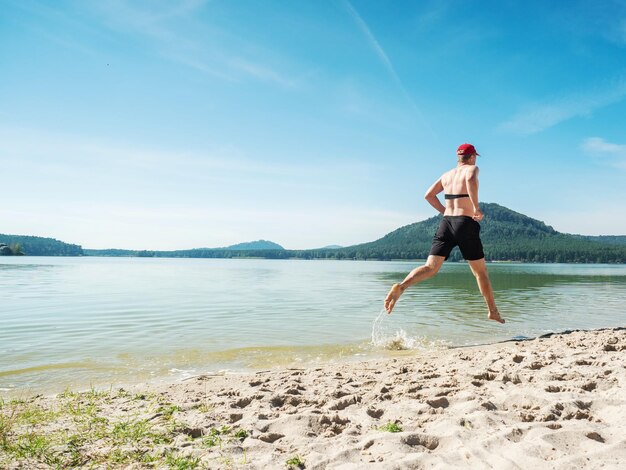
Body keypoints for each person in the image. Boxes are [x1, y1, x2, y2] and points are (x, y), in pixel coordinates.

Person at [384, 143, 505, 324]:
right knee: (480, 272)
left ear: (458, 157)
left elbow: (428, 195)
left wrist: (444, 211)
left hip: (446, 223)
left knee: (430, 268)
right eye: (474, 158)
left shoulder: (446, 175)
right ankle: (492, 311)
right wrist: (477, 207)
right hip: (465, 223)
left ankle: (402, 286)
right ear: (472, 157)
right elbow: (471, 178)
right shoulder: (472, 169)